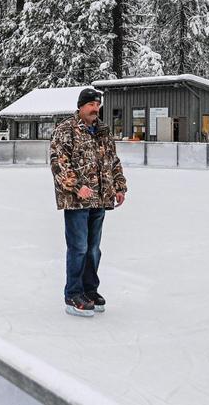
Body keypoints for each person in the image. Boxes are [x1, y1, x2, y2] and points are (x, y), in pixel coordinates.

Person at [49, 87, 128, 317]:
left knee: (94, 249)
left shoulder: (102, 131)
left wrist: (119, 186)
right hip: (76, 201)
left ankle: (90, 290)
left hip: (100, 198)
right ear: (81, 106)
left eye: (98, 105)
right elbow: (58, 162)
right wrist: (75, 186)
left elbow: (113, 160)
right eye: (91, 105)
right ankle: (73, 293)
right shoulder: (66, 130)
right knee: (79, 248)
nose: (95, 109)